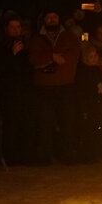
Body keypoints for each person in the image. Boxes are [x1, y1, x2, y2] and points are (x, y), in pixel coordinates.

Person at [29, 11, 81, 164]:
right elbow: (33, 58)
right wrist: (51, 57)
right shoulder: (37, 38)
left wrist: (61, 59)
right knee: (46, 123)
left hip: (65, 85)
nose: (52, 20)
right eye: (49, 17)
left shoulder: (68, 36)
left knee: (67, 122)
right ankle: (46, 155)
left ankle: (66, 154)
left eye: (55, 17)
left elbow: (73, 54)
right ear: (44, 20)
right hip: (44, 88)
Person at [0, 17, 34, 165]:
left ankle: (23, 155)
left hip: (23, 92)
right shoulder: (1, 46)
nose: (16, 30)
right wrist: (12, 54)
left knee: (24, 123)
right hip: (9, 93)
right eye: (12, 27)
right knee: (11, 125)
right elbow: (0, 69)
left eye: (18, 27)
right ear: (7, 29)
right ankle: (10, 156)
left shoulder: (25, 46)